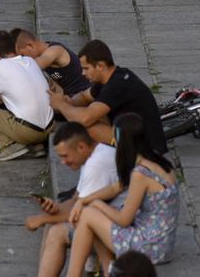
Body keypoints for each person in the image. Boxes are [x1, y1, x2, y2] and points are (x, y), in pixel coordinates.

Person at [65, 113, 179, 276]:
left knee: (89, 215)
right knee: (92, 213)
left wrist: (95, 204)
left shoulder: (141, 174)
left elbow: (124, 220)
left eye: (114, 140)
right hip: (162, 244)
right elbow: (116, 187)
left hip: (149, 246)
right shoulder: (157, 162)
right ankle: (107, 269)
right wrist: (84, 200)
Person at [26, 122, 121, 277]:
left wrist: (41, 219)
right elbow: (77, 200)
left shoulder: (95, 166)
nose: (63, 162)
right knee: (53, 224)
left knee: (57, 232)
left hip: (119, 228)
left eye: (65, 156)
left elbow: (80, 212)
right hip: (108, 219)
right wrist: (55, 209)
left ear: (81, 147)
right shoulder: (94, 154)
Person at [48, 40, 168, 155]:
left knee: (89, 128)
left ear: (100, 66)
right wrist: (69, 101)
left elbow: (85, 119)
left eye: (86, 68)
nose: (83, 73)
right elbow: (85, 96)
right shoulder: (111, 76)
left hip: (148, 147)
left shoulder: (117, 85)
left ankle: (105, 162)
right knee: (92, 114)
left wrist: (61, 105)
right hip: (132, 133)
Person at [0, 30, 55, 161]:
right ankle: (35, 146)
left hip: (28, 132)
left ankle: (8, 146)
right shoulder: (29, 61)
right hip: (49, 128)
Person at [12, 29, 91, 98]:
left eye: (22, 55)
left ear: (30, 46)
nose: (24, 59)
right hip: (70, 98)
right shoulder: (42, 57)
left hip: (85, 96)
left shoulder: (55, 50)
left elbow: (32, 66)